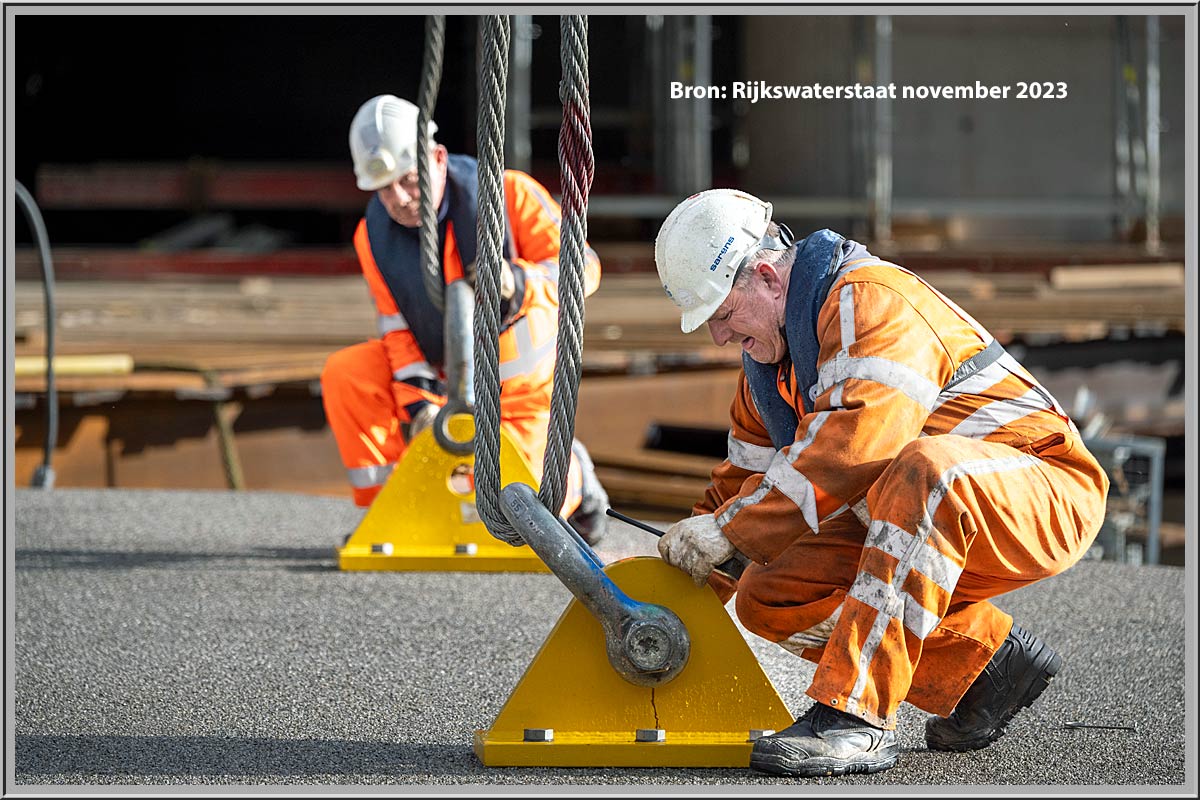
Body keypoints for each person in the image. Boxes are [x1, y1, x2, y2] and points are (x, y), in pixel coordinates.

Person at [652, 189, 1109, 778]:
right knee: (771, 591)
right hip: (930, 504)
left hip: (1046, 491)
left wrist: (731, 530)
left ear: (766, 276)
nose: (718, 337)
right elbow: (738, 489)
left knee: (927, 469)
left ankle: (855, 717)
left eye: (722, 315)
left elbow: (856, 445)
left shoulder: (870, 301)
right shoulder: (770, 371)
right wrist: (665, 609)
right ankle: (982, 668)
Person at [322, 94, 608, 541]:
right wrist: (420, 410)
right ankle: (390, 514)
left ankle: (575, 475)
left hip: (520, 397)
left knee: (522, 512)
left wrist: (520, 281)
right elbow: (397, 331)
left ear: (437, 157)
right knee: (348, 372)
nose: (399, 199)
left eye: (410, 180)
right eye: (385, 188)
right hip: (444, 391)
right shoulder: (372, 237)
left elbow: (585, 269)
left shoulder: (511, 195)